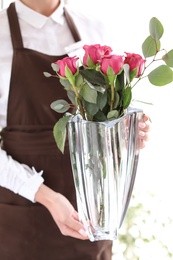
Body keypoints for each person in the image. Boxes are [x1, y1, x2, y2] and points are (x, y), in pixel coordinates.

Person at [0, 0, 150, 259]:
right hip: (22, 216)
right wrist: (45, 196)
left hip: (90, 216)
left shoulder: (94, 29)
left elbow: (101, 126)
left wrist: (125, 136)